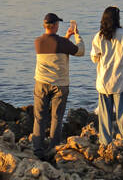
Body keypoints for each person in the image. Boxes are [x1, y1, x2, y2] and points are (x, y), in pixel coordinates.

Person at [33, 12, 85, 159]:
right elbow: (80, 51)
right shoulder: (62, 43)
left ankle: (37, 149)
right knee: (56, 117)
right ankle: (53, 148)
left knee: (39, 117)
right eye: (58, 24)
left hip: (41, 83)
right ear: (55, 26)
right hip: (60, 85)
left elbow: (55, 46)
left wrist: (66, 37)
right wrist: (76, 34)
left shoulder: (38, 42)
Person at [90, 5, 123, 145]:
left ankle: (105, 142)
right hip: (119, 79)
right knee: (122, 113)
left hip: (104, 81)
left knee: (105, 115)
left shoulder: (98, 36)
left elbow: (94, 57)